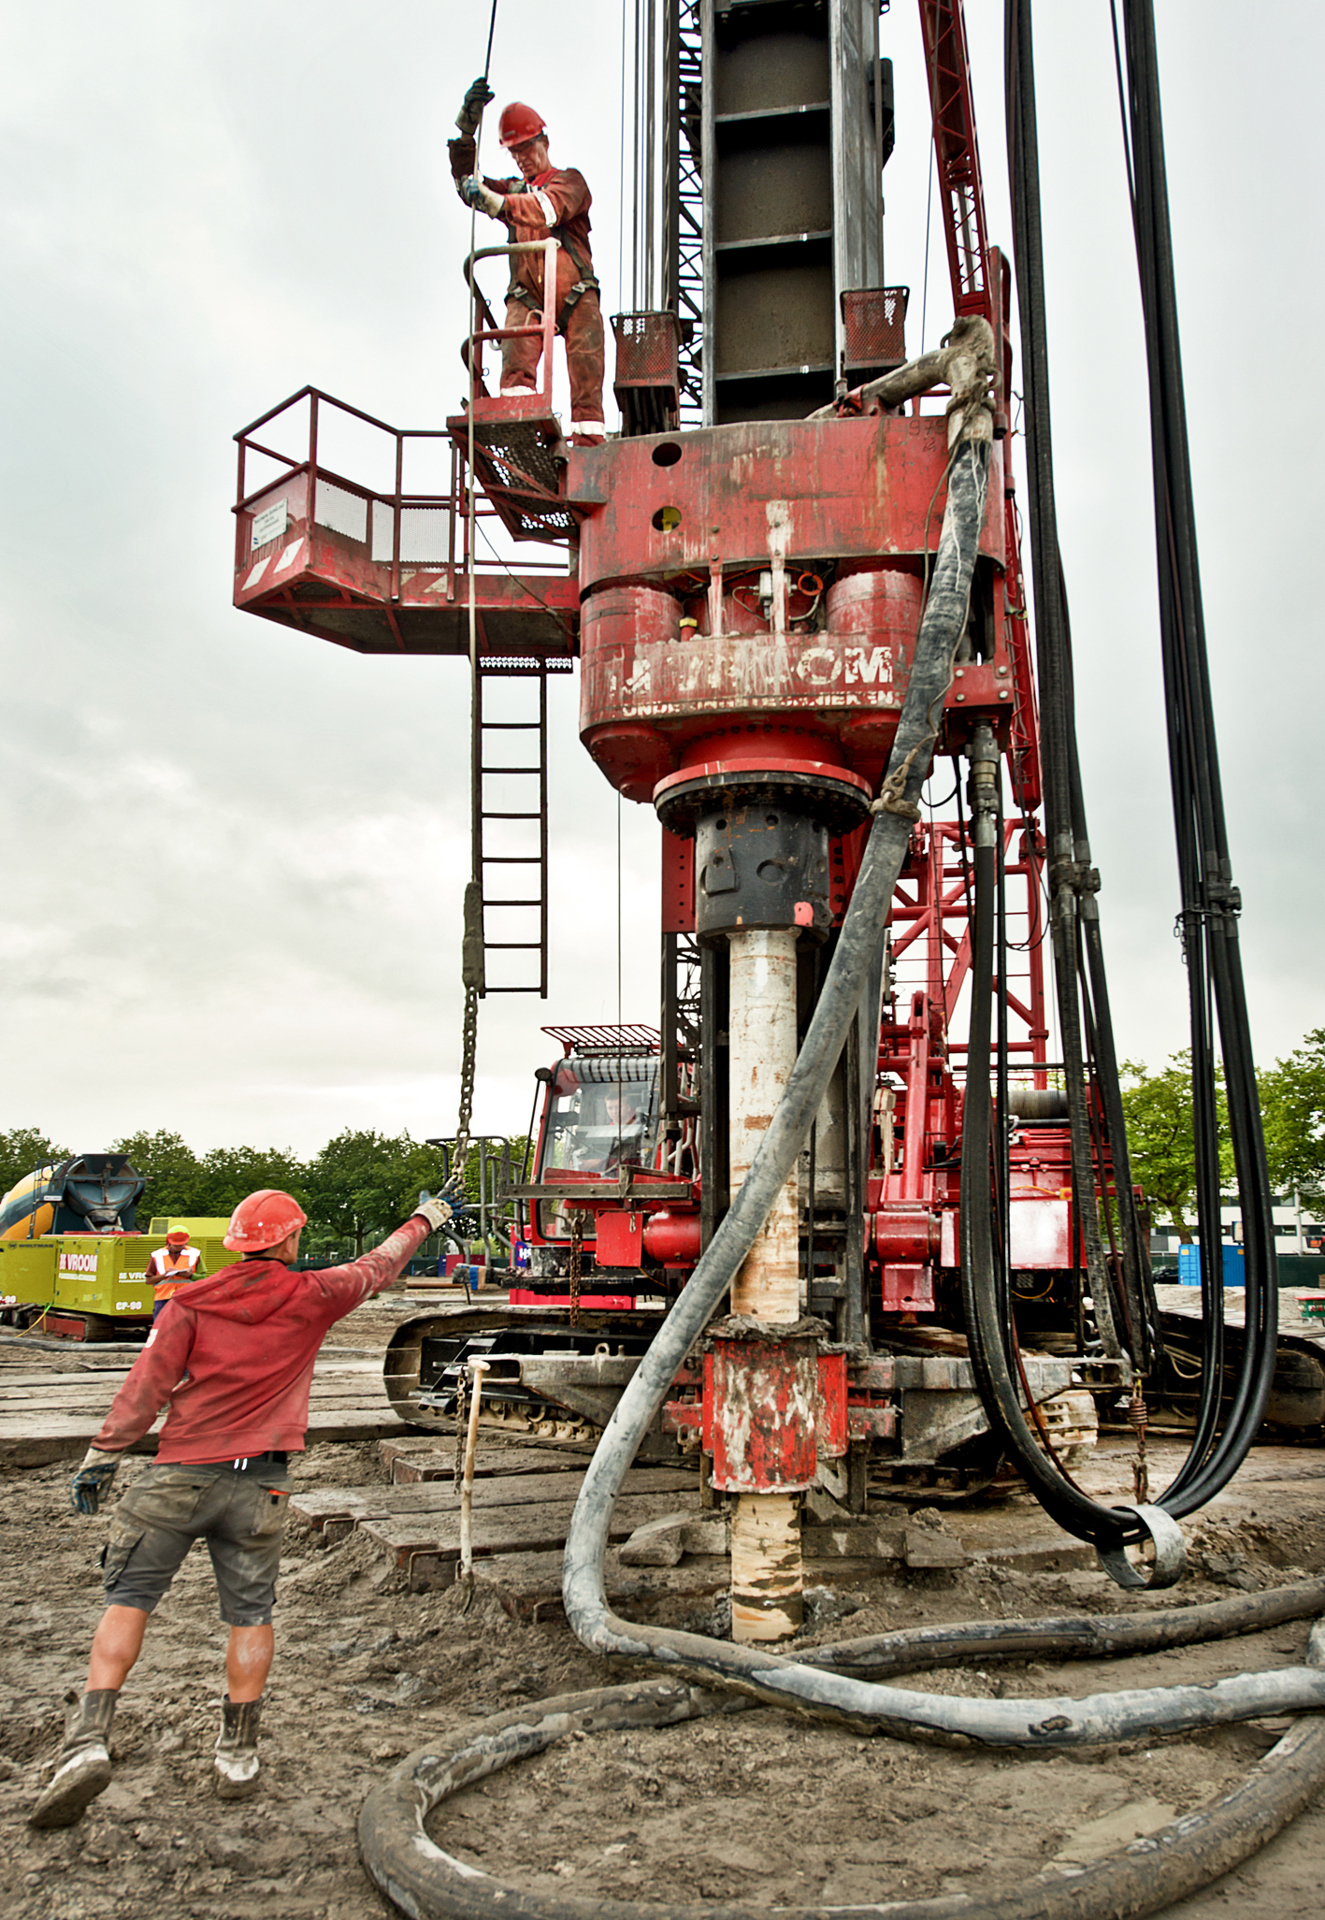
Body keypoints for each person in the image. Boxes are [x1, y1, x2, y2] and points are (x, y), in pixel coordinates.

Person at [28, 1183, 457, 1830]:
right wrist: (425, 1218)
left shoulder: (190, 1302)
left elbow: (147, 1385)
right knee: (251, 1614)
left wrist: (103, 1453)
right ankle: (237, 1755)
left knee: (129, 1600)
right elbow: (379, 1264)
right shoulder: (314, 1295)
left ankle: (87, 1741)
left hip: (178, 1477)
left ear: (235, 1243)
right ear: (291, 1239)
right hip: (260, 1485)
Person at [450, 78, 606, 447]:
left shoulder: (571, 182)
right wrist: (466, 130)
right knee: (515, 368)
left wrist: (496, 203)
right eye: (513, 152)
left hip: (576, 293)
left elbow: (548, 209)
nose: (520, 157)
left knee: (586, 368)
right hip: (527, 295)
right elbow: (468, 184)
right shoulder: (513, 190)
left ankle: (588, 444)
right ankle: (519, 437)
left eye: (525, 148)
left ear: (544, 142)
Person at [144, 1227, 204, 1321]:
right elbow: (148, 1280)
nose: (179, 1247)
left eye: (181, 1245)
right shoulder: (157, 1255)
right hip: (163, 1298)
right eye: (176, 1245)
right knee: (161, 1326)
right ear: (169, 1241)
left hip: (187, 1297)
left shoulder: (194, 1254)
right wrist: (165, 1275)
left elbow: (203, 1277)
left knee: (186, 1326)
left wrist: (190, 1276)